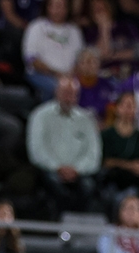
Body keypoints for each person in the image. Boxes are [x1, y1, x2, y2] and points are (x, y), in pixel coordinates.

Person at [27, 76, 101, 214]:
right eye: (65, 93)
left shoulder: (87, 120)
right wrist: (57, 167)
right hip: (49, 170)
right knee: (54, 186)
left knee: (88, 187)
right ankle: (58, 231)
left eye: (73, 94)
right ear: (56, 92)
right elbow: (36, 150)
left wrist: (77, 169)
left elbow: (93, 154)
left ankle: (77, 231)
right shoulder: (40, 115)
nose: (69, 97)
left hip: (79, 173)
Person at [99, 92, 139, 222]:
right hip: (115, 180)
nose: (129, 109)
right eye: (126, 105)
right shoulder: (106, 135)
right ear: (117, 108)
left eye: (132, 106)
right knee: (130, 194)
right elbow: (106, 162)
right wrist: (130, 165)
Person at [23, 0, 85, 101]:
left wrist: (70, 74)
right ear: (48, 7)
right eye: (55, 6)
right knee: (58, 88)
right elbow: (32, 59)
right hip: (41, 75)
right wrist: (57, 74)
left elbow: (80, 59)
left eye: (62, 6)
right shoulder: (36, 26)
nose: (58, 10)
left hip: (70, 76)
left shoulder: (74, 31)